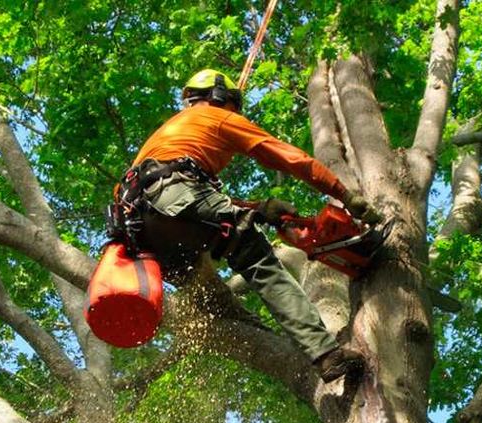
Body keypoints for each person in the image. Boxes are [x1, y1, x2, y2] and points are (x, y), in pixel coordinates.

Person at [111, 69, 372, 382]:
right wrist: (344, 193)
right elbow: (289, 158)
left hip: (142, 233)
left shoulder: (168, 137)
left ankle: (251, 332)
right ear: (221, 97)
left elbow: (198, 204)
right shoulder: (218, 117)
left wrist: (261, 209)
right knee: (258, 260)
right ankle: (326, 354)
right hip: (177, 198)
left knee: (213, 297)